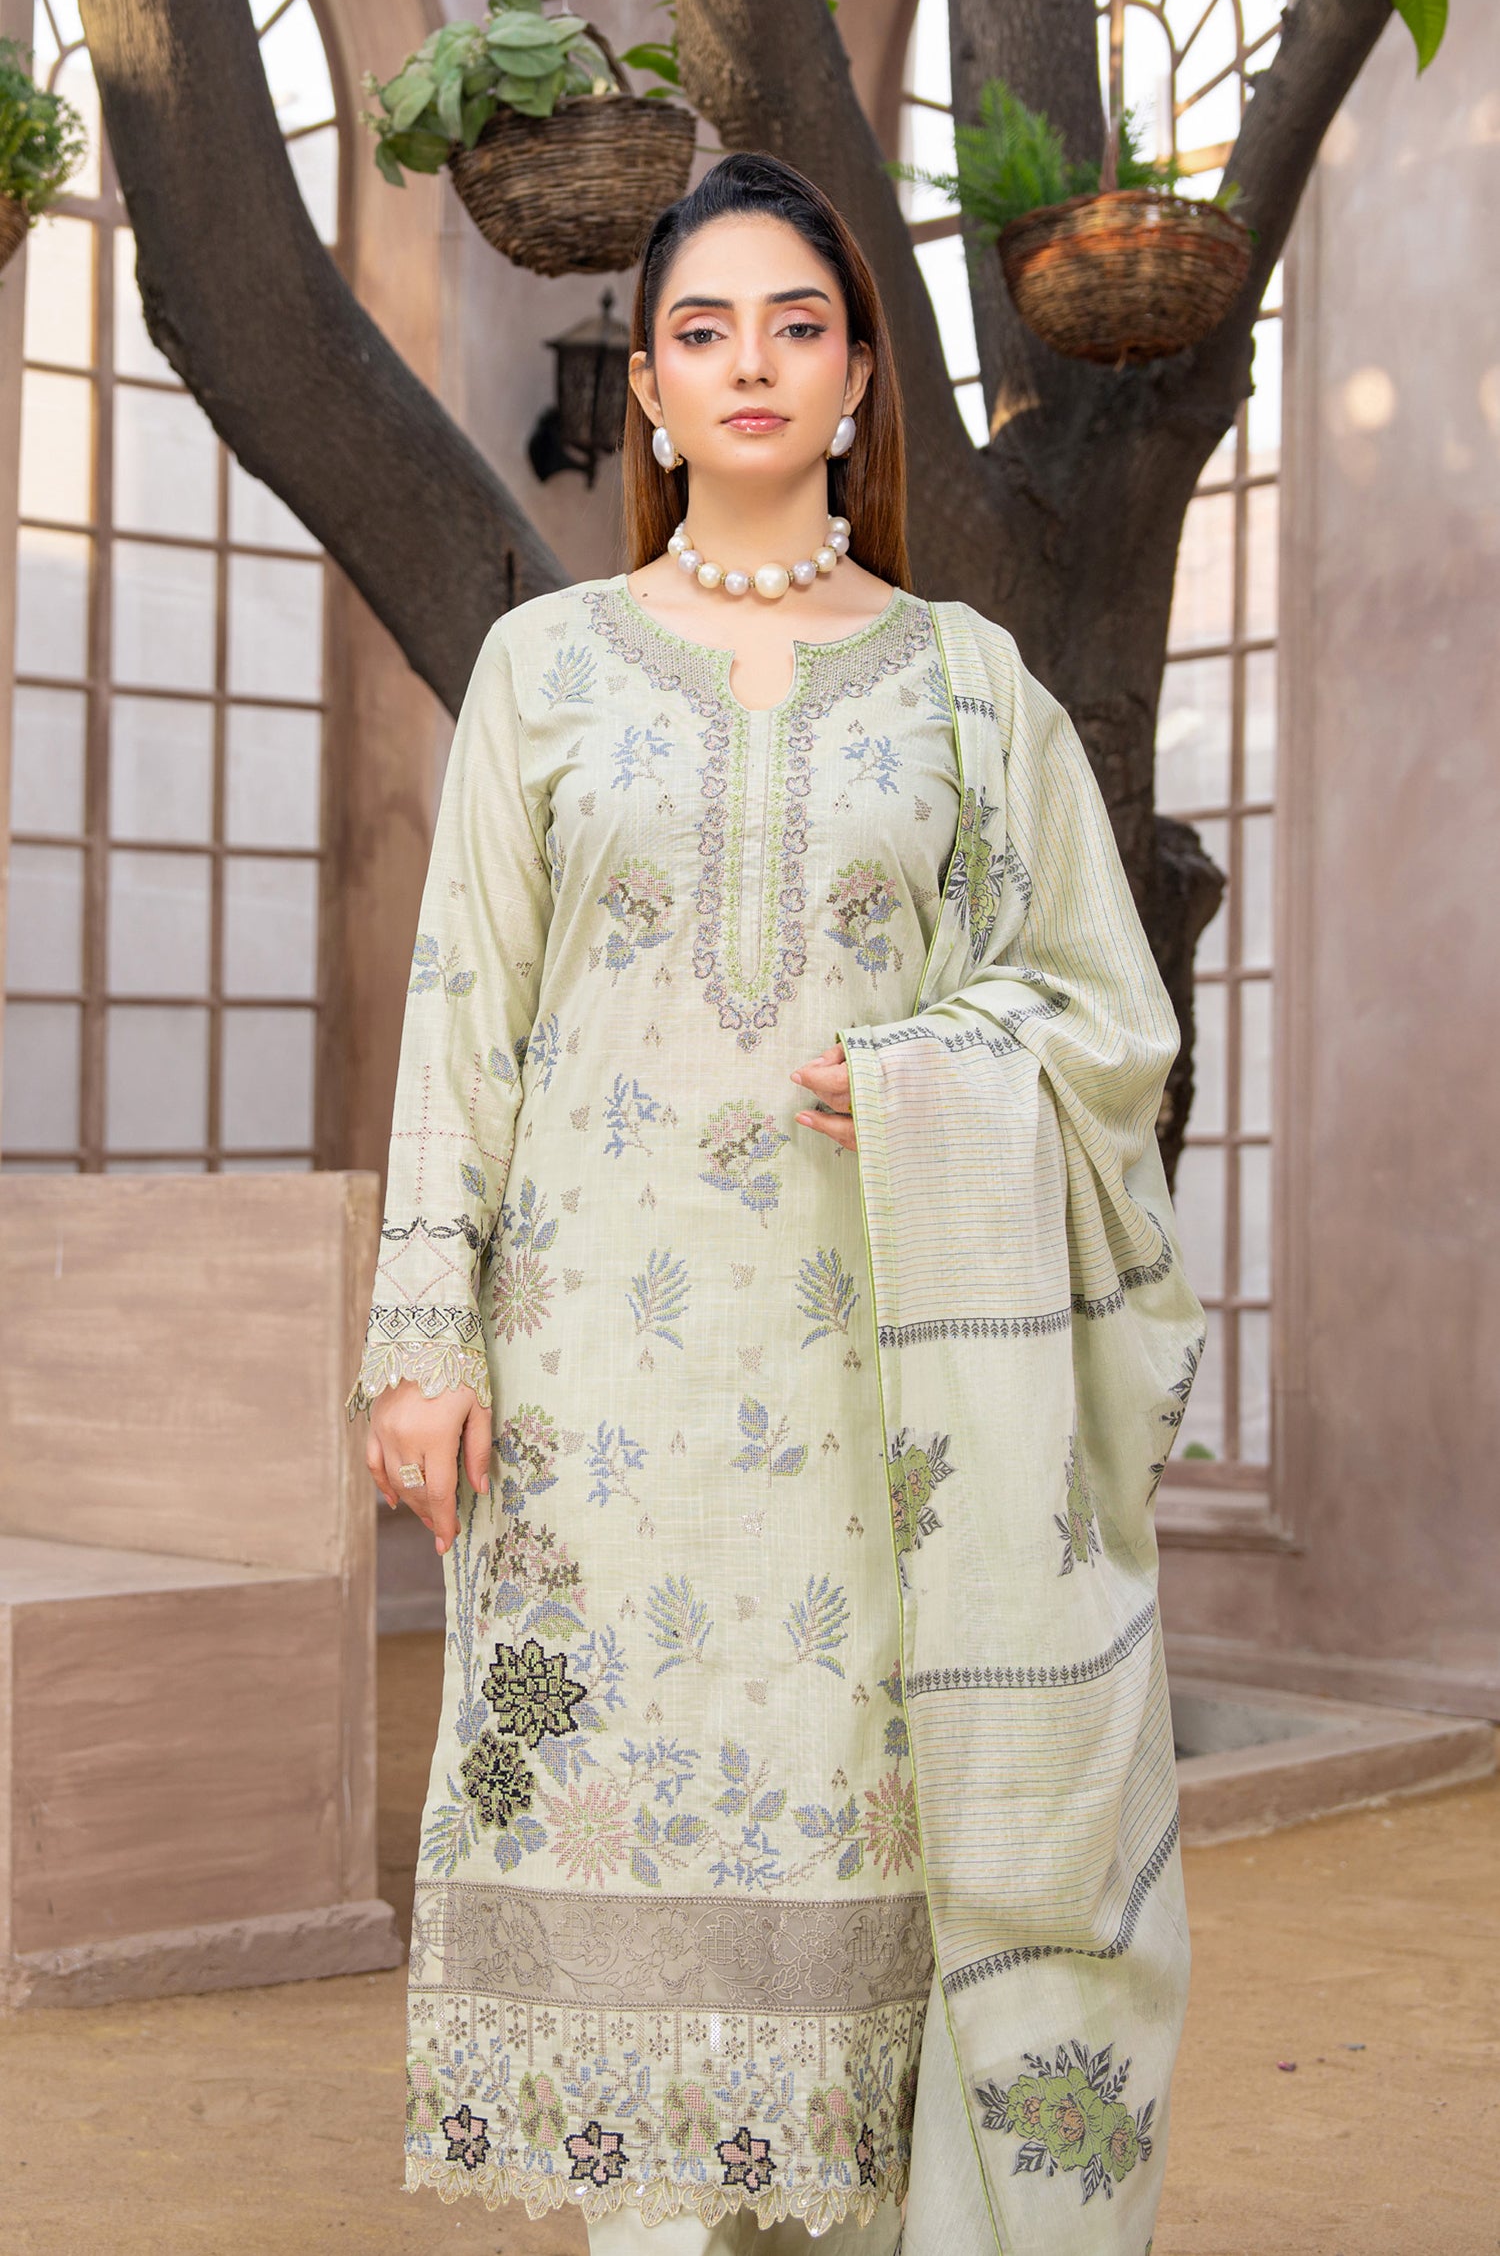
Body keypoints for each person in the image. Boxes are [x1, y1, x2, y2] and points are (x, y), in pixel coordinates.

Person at [351, 152, 1205, 2256]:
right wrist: (423, 1339)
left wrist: (938, 1073)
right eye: (704, 331)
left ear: (858, 378)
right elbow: (464, 1017)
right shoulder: (546, 668)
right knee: (624, 1898)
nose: (752, 364)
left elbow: (1104, 1010)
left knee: (860, 1884)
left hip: (871, 1418)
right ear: (646, 388)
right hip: (595, 1410)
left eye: (798, 326)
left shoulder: (965, 687)